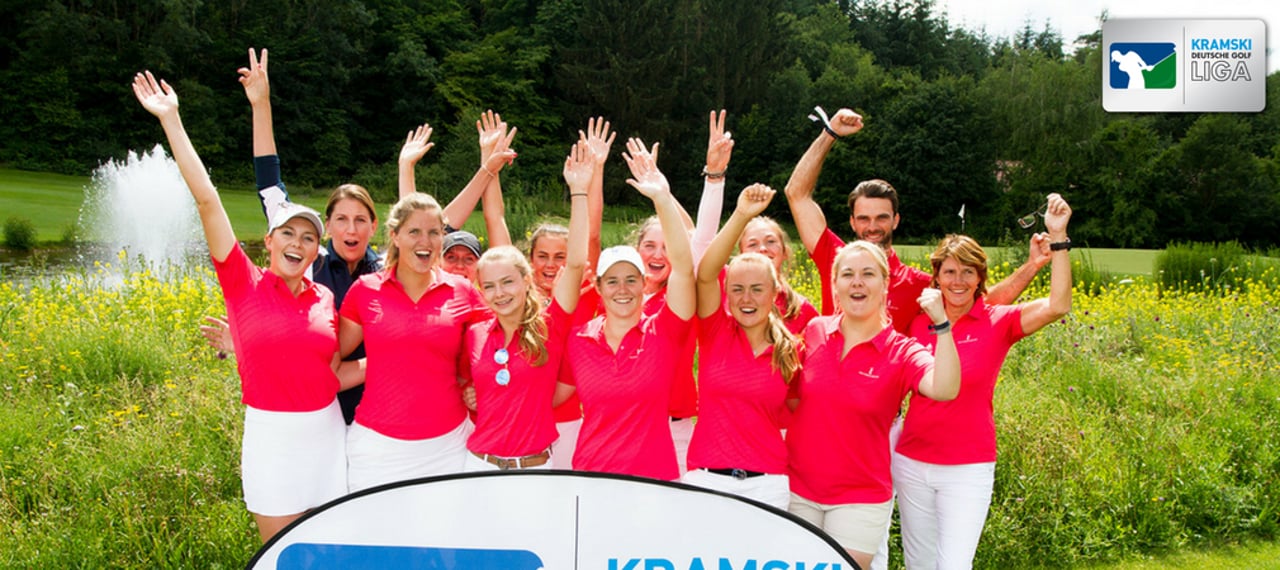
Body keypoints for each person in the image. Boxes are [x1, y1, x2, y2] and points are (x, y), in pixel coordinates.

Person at [132, 70, 347, 542]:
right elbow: (207, 200)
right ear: (269, 241)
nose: (298, 242)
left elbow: (328, 369)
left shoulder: (325, 298)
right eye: (288, 233)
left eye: (309, 237)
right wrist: (171, 120)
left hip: (327, 435)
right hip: (272, 439)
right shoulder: (242, 282)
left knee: (328, 552)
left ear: (317, 251)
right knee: (279, 552)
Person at [198, 48, 379, 424]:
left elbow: (433, 234)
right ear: (326, 227)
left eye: (361, 220)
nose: (351, 229)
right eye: (341, 219)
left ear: (374, 227)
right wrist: (261, 105)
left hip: (370, 407)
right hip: (316, 408)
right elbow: (269, 180)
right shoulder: (308, 261)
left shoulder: (382, 271)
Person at [893, 194, 1073, 570]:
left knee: (954, 565)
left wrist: (1058, 240)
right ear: (936, 276)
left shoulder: (999, 321)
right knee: (918, 564)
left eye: (967, 272)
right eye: (949, 272)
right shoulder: (917, 322)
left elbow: (1058, 305)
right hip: (910, 462)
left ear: (979, 278)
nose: (958, 281)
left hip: (967, 468)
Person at [338, 135, 514, 491]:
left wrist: (480, 388)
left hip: (447, 446)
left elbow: (500, 344)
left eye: (435, 232)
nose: (426, 241)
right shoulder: (366, 290)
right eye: (414, 232)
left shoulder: (462, 290)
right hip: (377, 449)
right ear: (395, 236)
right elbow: (330, 362)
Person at [783, 107, 1050, 330]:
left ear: (896, 220)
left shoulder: (918, 284)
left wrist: (1032, 265)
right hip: (828, 389)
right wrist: (829, 133)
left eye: (881, 218)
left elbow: (982, 301)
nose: (872, 227)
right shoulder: (833, 255)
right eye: (864, 218)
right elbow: (796, 193)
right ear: (852, 222)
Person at [786, 240, 961, 570]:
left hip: (859, 499)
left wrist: (942, 326)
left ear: (885, 285)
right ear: (835, 284)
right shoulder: (814, 331)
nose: (857, 282)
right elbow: (795, 399)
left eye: (868, 274)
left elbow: (945, 388)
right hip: (798, 491)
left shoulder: (902, 351)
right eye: (847, 274)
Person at [560, 138, 695, 481]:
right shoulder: (578, 340)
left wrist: (662, 197)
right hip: (592, 478)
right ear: (600, 287)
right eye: (613, 281)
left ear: (642, 283)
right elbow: (547, 397)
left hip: (655, 479)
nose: (622, 289)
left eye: (631, 280)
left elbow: (682, 266)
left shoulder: (663, 331)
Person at [460, 142, 592, 472]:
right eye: (488, 286)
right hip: (479, 464)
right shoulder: (475, 333)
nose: (499, 293)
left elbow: (576, 263)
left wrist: (578, 192)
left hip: (535, 467)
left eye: (507, 282)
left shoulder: (550, 324)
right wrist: (467, 392)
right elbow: (465, 382)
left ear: (525, 280)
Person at [682, 183, 799, 509]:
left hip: (768, 485)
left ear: (774, 292)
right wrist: (742, 214)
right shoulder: (715, 330)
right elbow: (705, 274)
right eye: (737, 289)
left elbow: (800, 408)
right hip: (706, 479)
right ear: (727, 293)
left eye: (757, 289)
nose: (746, 299)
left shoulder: (789, 348)